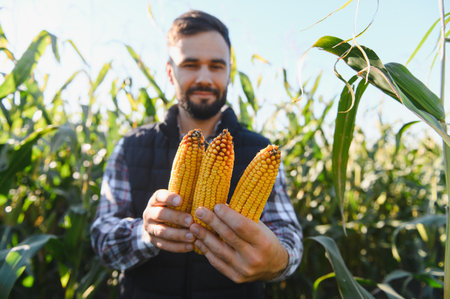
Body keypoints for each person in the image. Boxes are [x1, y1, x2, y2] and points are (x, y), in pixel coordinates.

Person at [91, 10, 303, 299]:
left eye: (216, 66)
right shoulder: (129, 147)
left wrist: (277, 260)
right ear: (170, 72)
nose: (204, 77)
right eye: (190, 64)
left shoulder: (260, 151)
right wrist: (145, 233)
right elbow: (102, 239)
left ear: (229, 71)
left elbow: (289, 238)